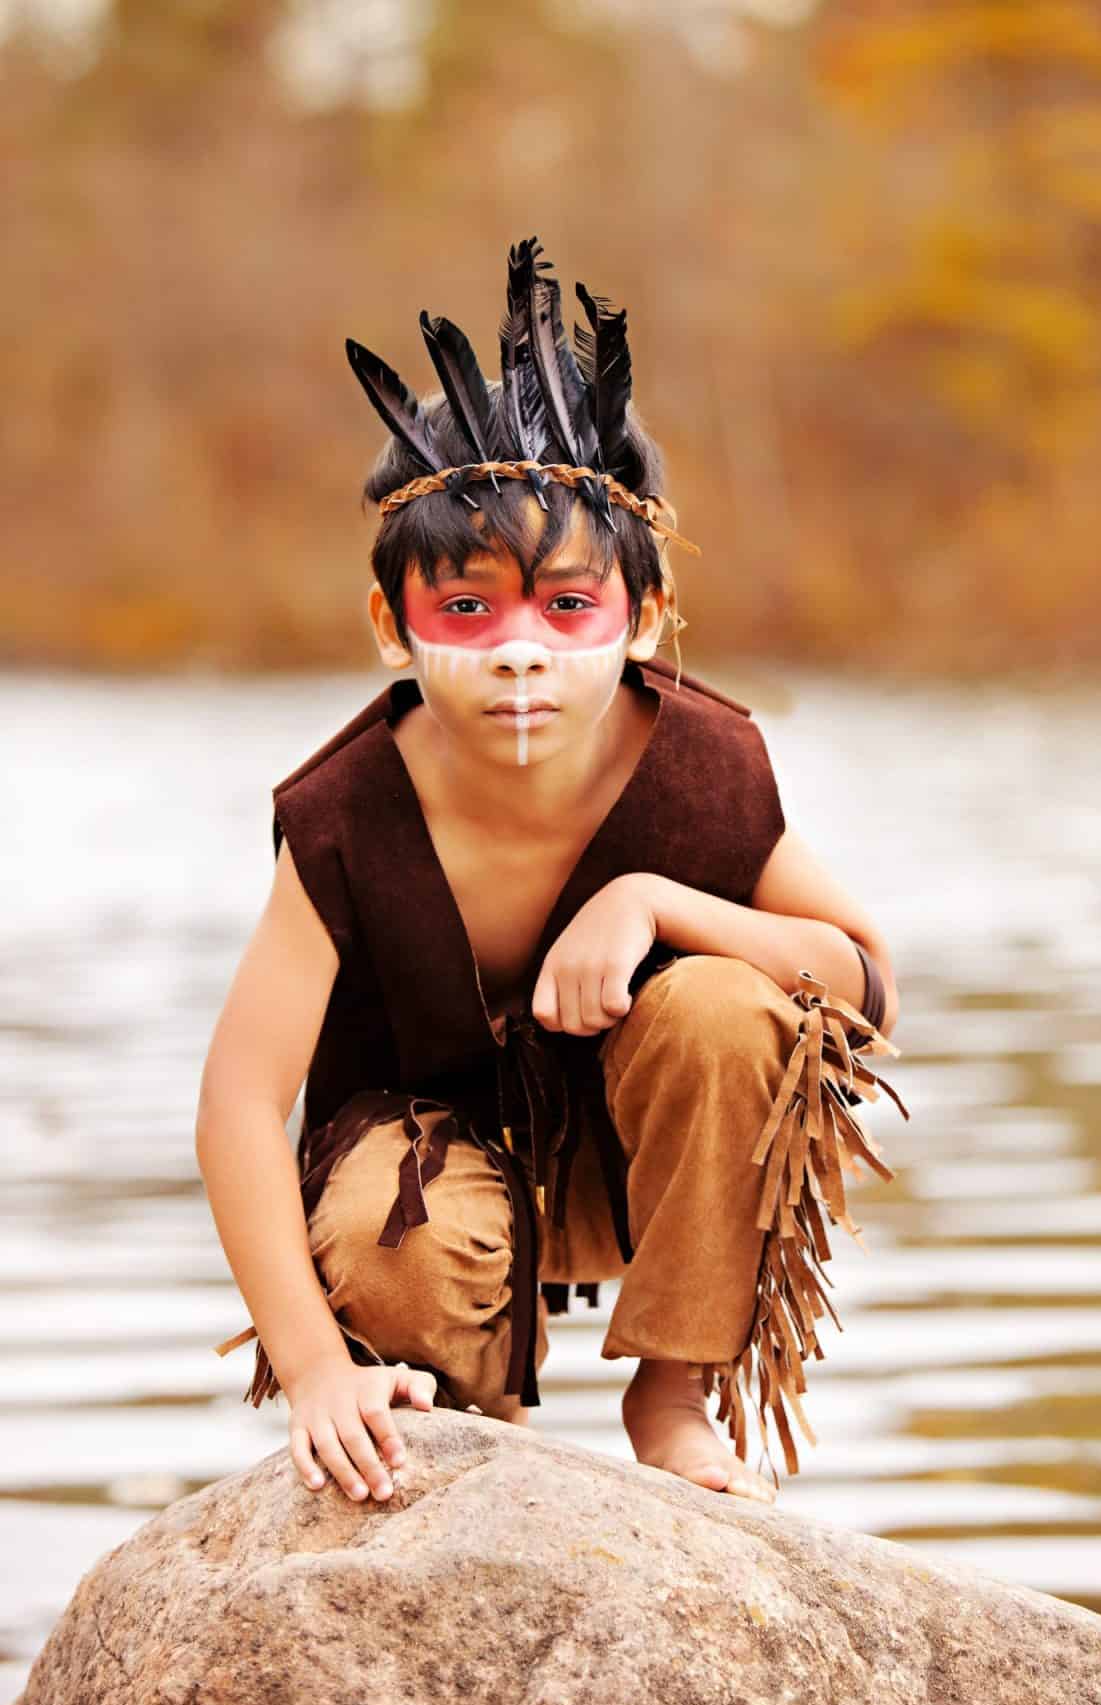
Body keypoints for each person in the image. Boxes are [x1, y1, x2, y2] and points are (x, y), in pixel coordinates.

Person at [198, 236, 906, 1512]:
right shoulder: (348, 817)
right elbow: (241, 1103)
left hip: (649, 1152)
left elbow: (860, 984)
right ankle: (473, 1418)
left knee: (740, 1009)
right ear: (390, 628)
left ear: (643, 615)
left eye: (567, 608)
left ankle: (672, 1391)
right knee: (382, 1222)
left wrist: (657, 905)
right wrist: (309, 1368)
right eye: (466, 611)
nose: (520, 653)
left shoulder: (701, 767)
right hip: (432, 1181)